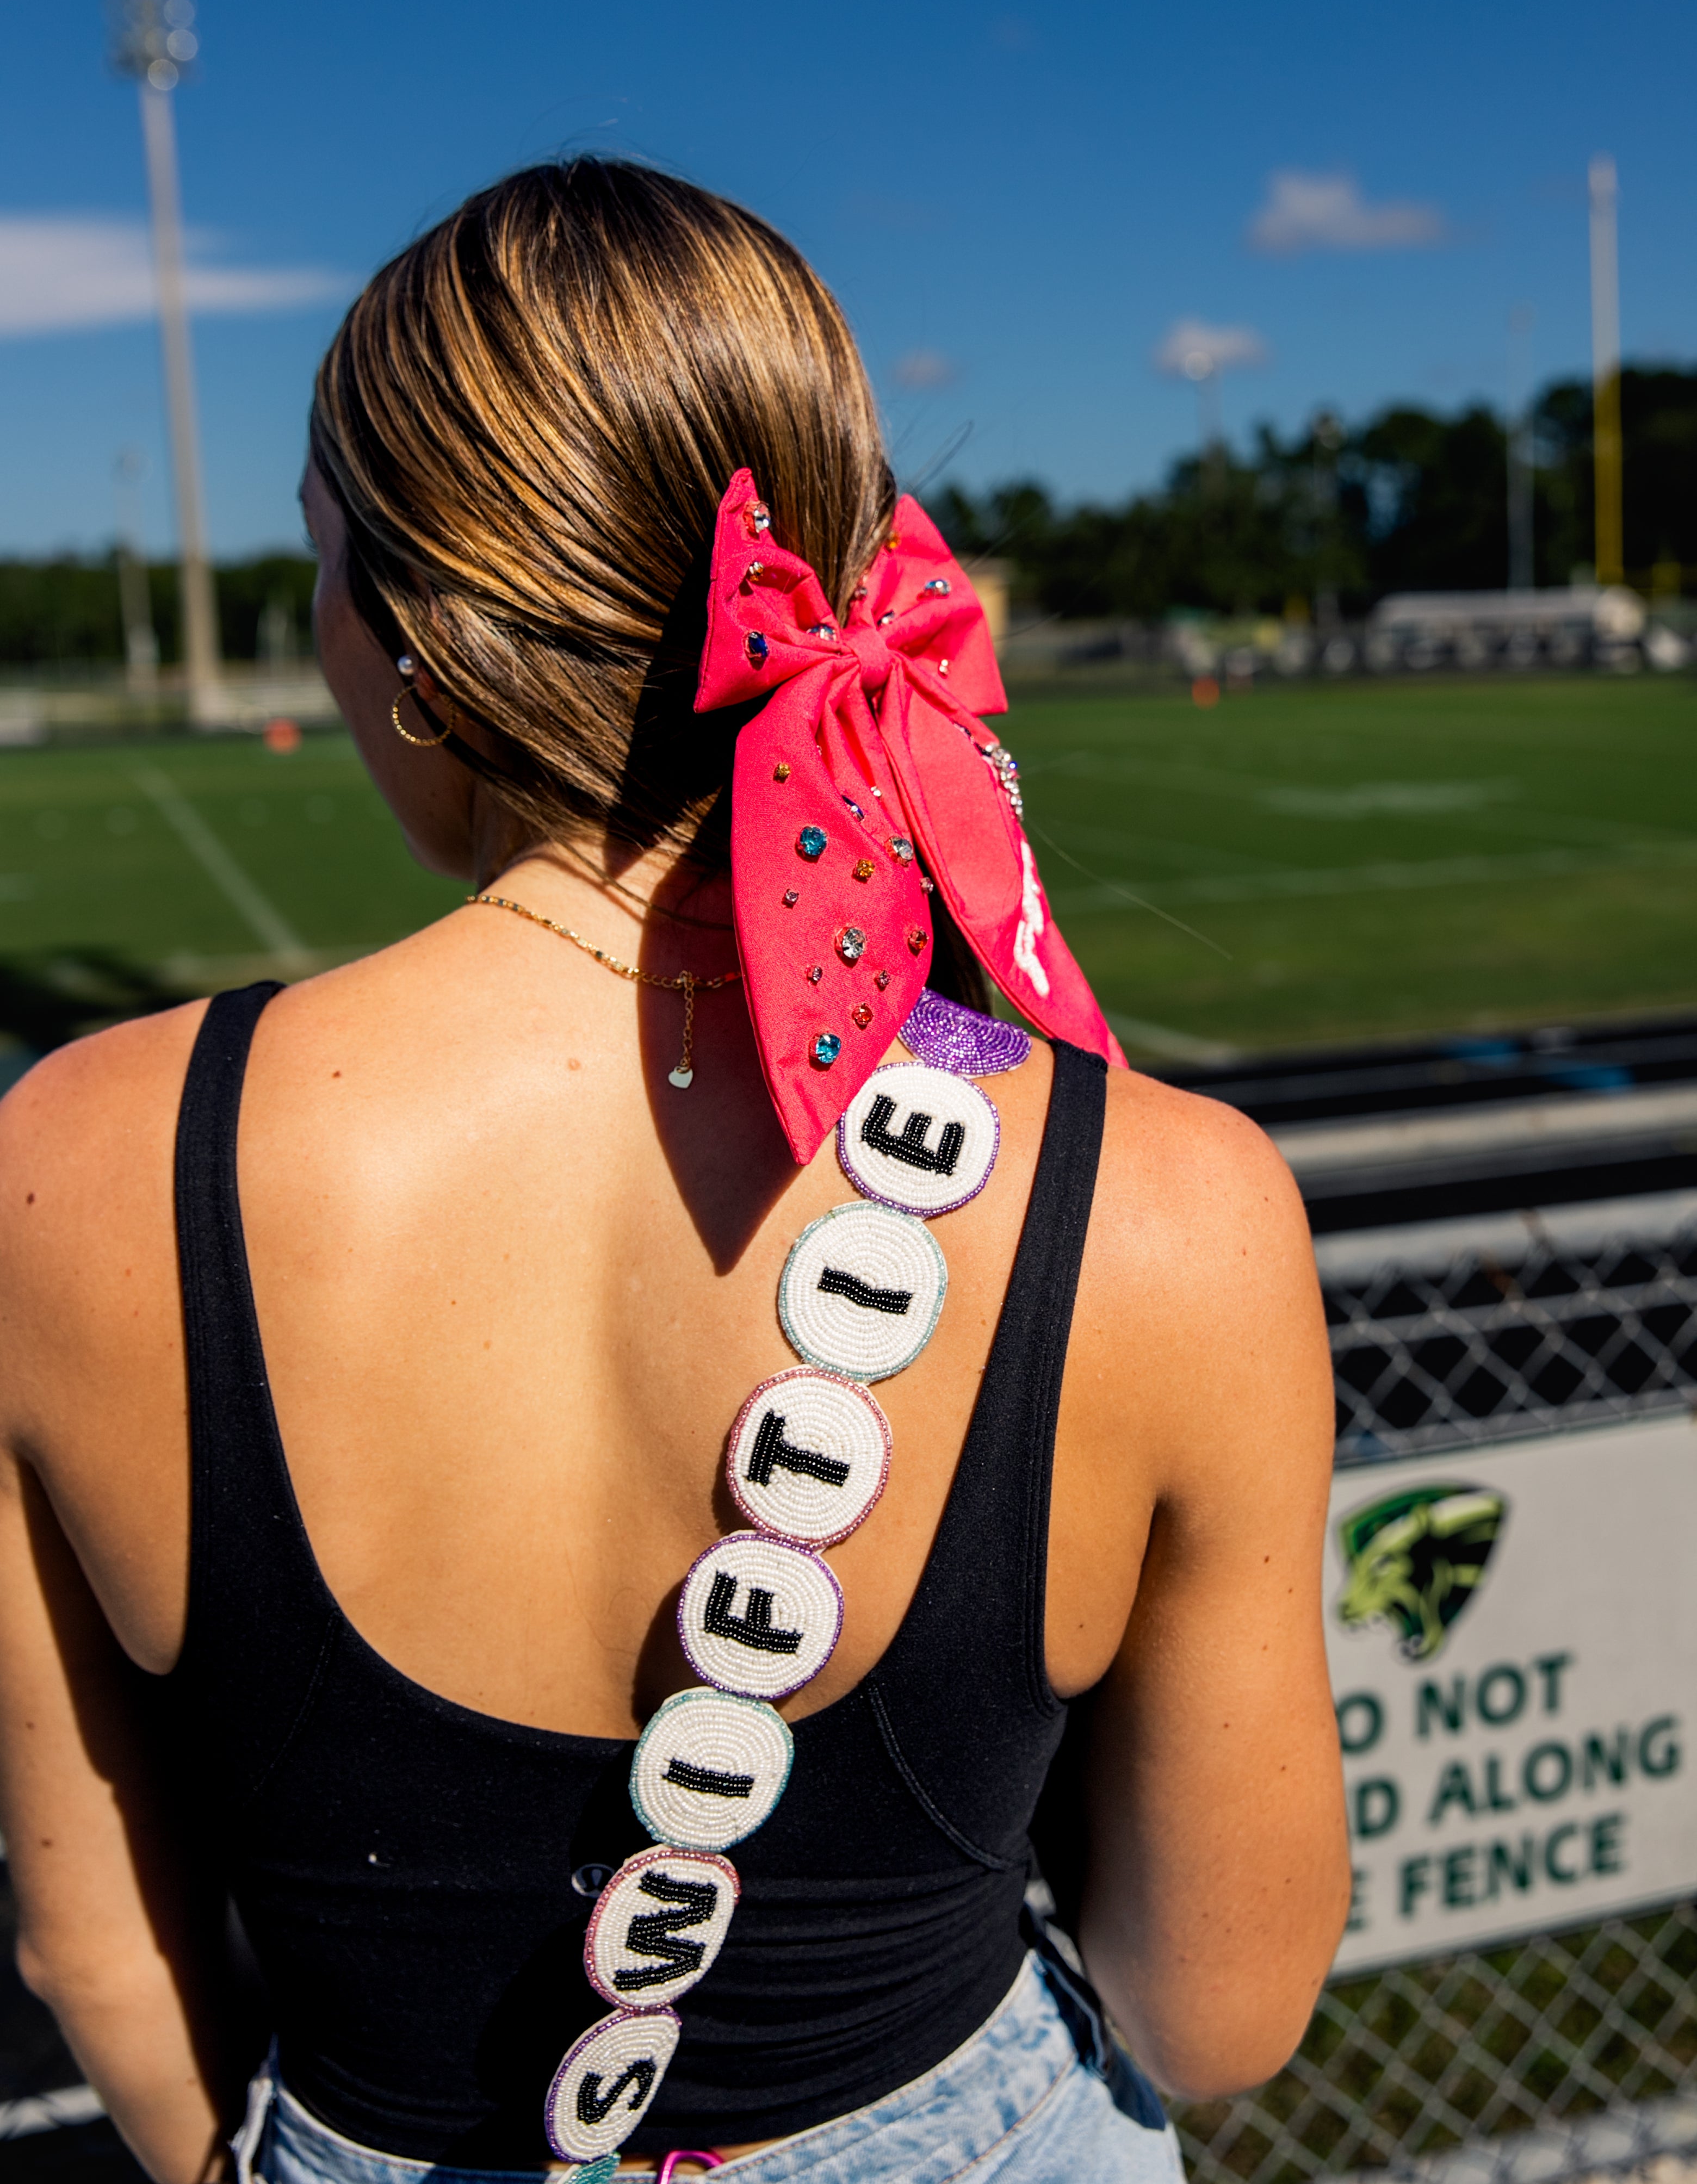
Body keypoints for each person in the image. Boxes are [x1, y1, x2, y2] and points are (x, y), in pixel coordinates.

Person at [0, 160, 1348, 2184]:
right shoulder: (1174, 1208)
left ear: (411, 637)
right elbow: (1215, 2006)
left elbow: (86, 1936)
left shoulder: (69, 1171)